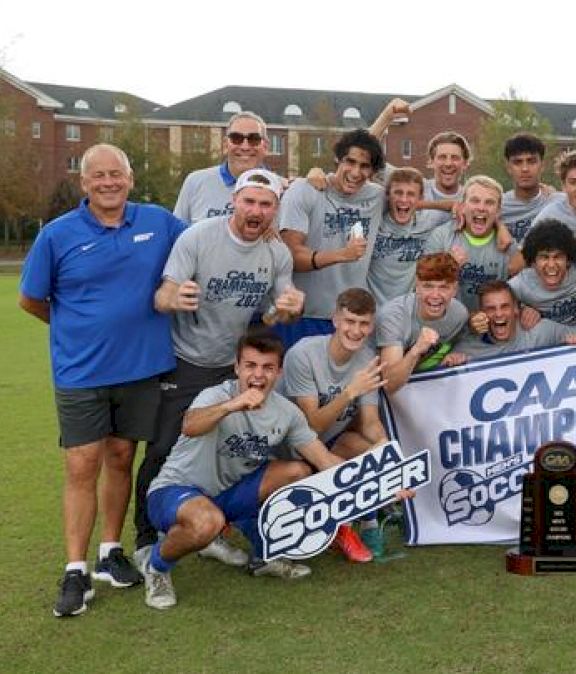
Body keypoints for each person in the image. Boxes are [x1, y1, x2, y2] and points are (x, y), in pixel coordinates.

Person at [19, 143, 187, 617]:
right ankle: (75, 569)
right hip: (81, 373)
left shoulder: (156, 221)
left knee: (120, 458)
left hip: (141, 369)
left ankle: (110, 552)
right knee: (81, 465)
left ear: (131, 179)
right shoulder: (57, 235)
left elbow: (206, 239)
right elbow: (31, 300)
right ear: (84, 183)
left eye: (117, 174)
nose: (109, 182)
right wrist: (75, 329)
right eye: (99, 176)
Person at [141, 331, 413, 609]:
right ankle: (156, 566)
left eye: (267, 367)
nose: (258, 375)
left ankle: (264, 556)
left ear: (279, 372)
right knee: (206, 522)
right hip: (176, 490)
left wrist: (382, 485)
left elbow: (324, 460)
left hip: (228, 495)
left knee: (297, 472)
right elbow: (190, 425)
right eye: (250, 366)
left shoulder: (287, 412)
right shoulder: (215, 395)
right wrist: (231, 405)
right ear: (237, 368)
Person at [134, 168, 304, 571]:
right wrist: (175, 297)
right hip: (187, 360)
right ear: (234, 201)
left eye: (266, 204)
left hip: (235, 367)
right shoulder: (197, 237)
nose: (256, 210)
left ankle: (222, 531)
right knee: (163, 448)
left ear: (275, 210)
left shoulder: (276, 253)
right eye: (249, 201)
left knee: (243, 450)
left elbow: (274, 312)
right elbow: (162, 296)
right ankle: (145, 537)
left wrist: (286, 309)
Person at [281, 288, 389, 561]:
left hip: (331, 440)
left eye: (363, 324)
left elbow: (371, 421)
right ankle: (339, 526)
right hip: (292, 446)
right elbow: (312, 425)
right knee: (326, 462)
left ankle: (369, 522)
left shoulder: (366, 358)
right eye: (350, 321)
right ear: (335, 320)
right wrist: (350, 392)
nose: (356, 331)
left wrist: (385, 449)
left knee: (370, 449)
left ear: (371, 325)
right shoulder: (303, 353)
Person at [278, 129, 385, 348]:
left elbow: (414, 197)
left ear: (372, 171)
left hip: (350, 320)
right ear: (337, 159)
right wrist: (341, 255)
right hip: (303, 315)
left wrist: (457, 207)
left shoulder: (377, 196)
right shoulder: (304, 190)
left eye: (364, 166)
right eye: (350, 162)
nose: (355, 172)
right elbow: (291, 255)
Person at [425, 175, 523, 313]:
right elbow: (425, 286)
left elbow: (520, 295)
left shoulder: (507, 245)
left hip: (492, 326)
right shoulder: (441, 237)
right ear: (463, 206)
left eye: (489, 202)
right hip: (450, 324)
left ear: (498, 211)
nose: (481, 208)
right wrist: (449, 266)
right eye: (475, 201)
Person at [376, 252, 470, 390]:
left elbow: (461, 343)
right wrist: (416, 350)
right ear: (417, 286)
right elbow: (389, 385)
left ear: (454, 289)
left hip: (420, 385)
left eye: (443, 287)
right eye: (428, 286)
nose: (435, 295)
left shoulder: (459, 314)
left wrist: (455, 354)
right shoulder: (394, 316)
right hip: (375, 386)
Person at [448, 281, 576, 364]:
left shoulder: (539, 330)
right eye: (490, 308)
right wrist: (449, 363)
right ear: (481, 313)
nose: (499, 314)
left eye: (505, 306)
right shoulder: (467, 347)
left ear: (516, 309)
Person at [174, 111, 270, 223]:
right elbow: (177, 234)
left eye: (254, 139)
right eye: (236, 138)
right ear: (225, 145)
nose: (245, 146)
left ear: (266, 146)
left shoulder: (281, 190)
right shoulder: (195, 182)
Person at [367, 167, 443, 304]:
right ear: (388, 195)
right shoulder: (374, 219)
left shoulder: (429, 220)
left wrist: (496, 227)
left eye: (411, 194)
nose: (404, 199)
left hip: (405, 310)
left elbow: (462, 208)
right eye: (398, 193)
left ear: (421, 198)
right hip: (371, 308)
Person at [508, 219, 576, 331]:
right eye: (544, 257)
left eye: (558, 257)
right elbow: (497, 299)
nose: (551, 265)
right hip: (551, 343)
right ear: (533, 262)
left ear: (569, 260)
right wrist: (521, 309)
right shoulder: (522, 283)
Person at [501, 133, 554, 245]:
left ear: (543, 165)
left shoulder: (556, 203)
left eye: (531, 161)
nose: (525, 169)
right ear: (508, 167)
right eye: (517, 162)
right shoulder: (497, 206)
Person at [417, 131, 472, 227]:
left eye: (455, 158)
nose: (448, 163)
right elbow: (381, 166)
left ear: (465, 164)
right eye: (442, 157)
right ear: (431, 162)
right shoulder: (416, 189)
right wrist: (386, 117)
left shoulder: (472, 198)